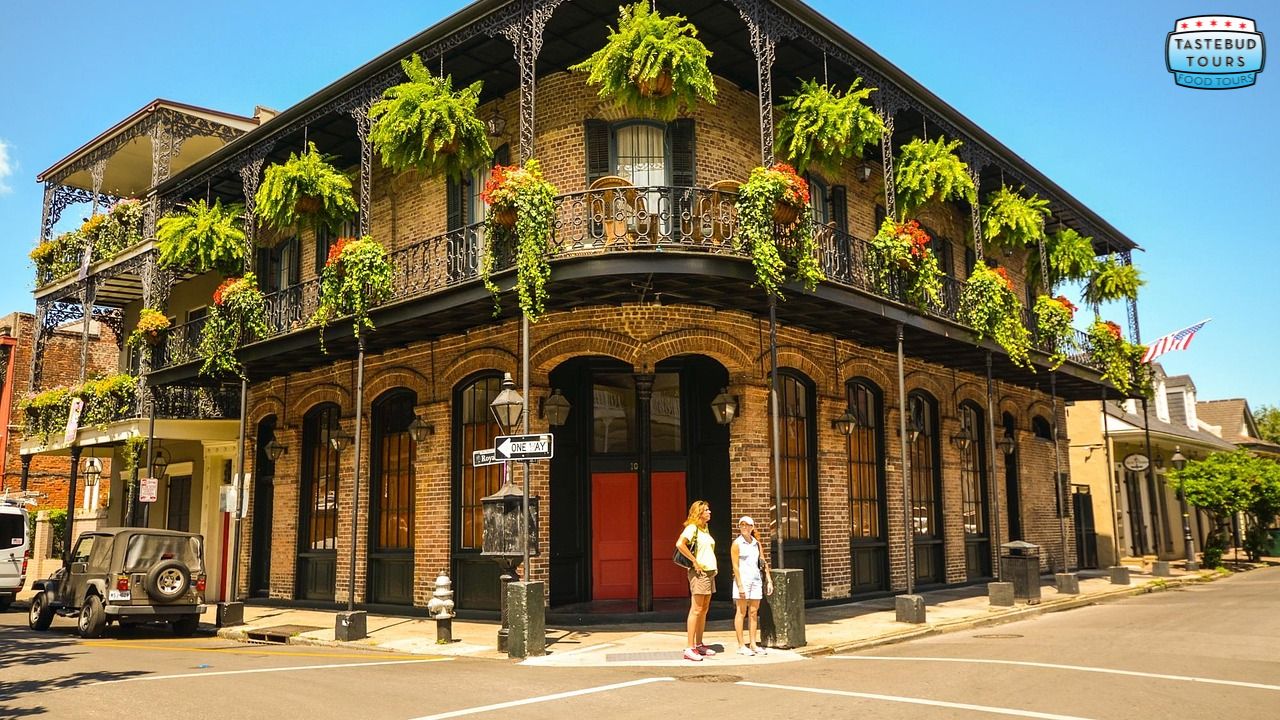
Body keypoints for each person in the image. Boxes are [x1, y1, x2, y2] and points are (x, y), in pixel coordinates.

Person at [676, 500, 716, 662]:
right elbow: (680, 544)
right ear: (698, 513)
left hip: (709, 572)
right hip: (699, 573)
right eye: (706, 510)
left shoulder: (705, 528)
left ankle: (699, 644)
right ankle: (690, 647)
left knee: (704, 608)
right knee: (696, 609)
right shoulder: (692, 528)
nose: (709, 512)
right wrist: (694, 561)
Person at [730, 516, 772, 656]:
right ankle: (741, 645)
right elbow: (735, 566)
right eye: (742, 525)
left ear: (752, 527)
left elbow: (763, 562)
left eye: (747, 525)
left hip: (755, 580)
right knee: (741, 611)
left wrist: (769, 579)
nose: (745, 527)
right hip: (743, 580)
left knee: (753, 612)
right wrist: (740, 585)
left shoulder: (756, 543)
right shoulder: (737, 544)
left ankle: (753, 643)